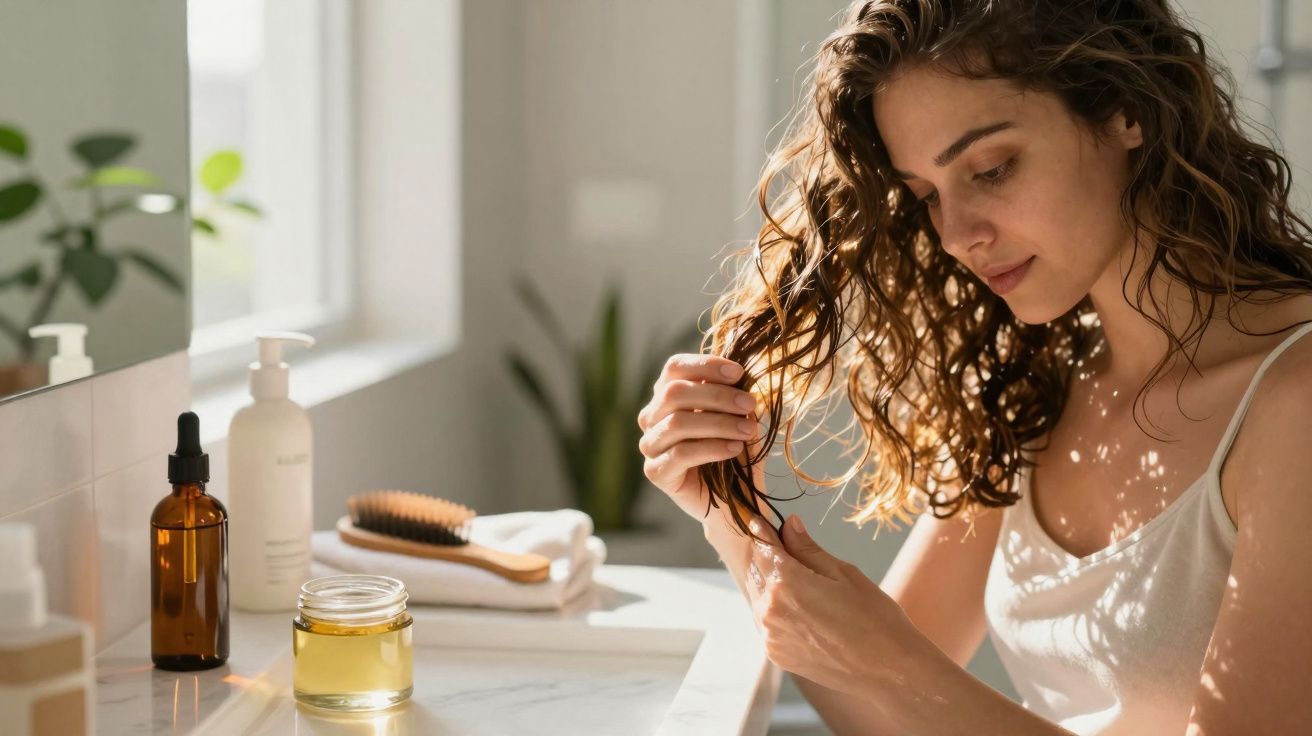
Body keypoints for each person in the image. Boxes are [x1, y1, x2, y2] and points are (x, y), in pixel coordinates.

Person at [636, 1, 1312, 734]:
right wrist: (731, 513)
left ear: (1126, 110)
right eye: (927, 196)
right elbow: (873, 713)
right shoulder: (1041, 384)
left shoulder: (1293, 399)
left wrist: (896, 665)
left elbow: (897, 678)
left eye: (991, 169)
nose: (956, 235)